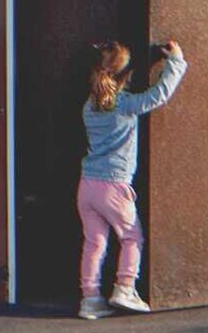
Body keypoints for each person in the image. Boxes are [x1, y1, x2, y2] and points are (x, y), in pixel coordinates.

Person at [77, 40, 188, 320]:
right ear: (126, 74)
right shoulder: (124, 104)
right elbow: (159, 94)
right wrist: (175, 61)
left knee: (95, 243)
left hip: (87, 186)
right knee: (132, 237)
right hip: (114, 186)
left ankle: (90, 300)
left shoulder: (89, 106)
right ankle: (125, 288)